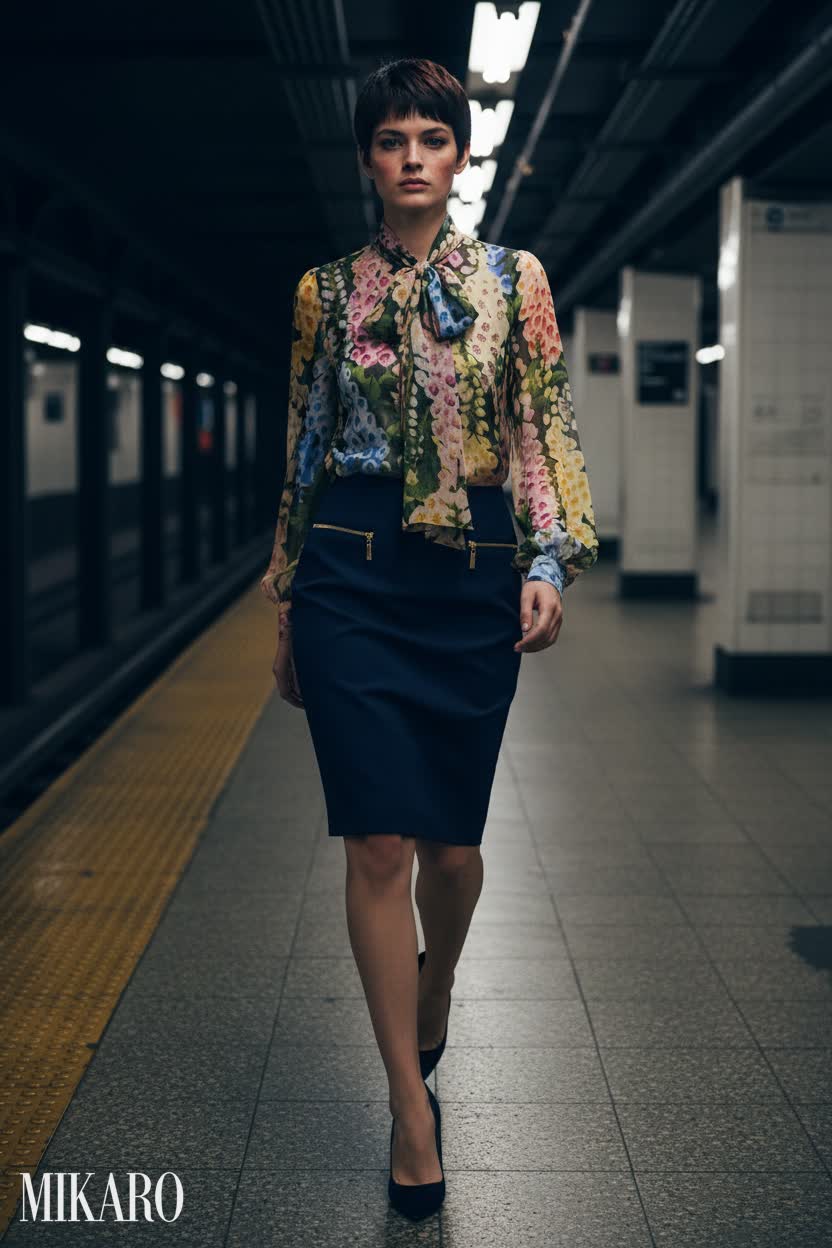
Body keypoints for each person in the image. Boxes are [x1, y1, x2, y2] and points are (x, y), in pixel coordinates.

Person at [260, 57, 598, 1220]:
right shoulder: (323, 293)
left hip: (469, 574)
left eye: (432, 137)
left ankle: (438, 984)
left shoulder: (516, 283)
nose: (411, 155)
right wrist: (288, 596)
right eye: (392, 137)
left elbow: (541, 428)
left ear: (459, 157)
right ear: (367, 157)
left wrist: (547, 560)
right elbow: (304, 446)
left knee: (450, 855)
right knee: (377, 848)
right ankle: (411, 1112)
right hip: (350, 574)